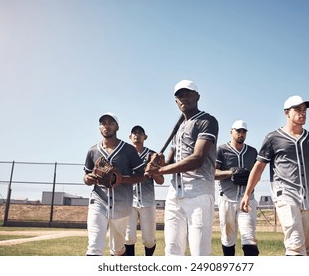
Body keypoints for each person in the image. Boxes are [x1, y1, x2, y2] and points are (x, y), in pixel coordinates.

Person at [240, 96, 309, 256]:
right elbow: (258, 167)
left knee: (306, 248)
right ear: (287, 113)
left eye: (305, 110)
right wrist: (246, 194)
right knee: (295, 244)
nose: (303, 113)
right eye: (298, 110)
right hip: (285, 195)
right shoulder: (273, 138)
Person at [145, 79, 219, 256]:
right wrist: (157, 162)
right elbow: (169, 164)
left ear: (197, 96)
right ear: (175, 101)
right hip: (175, 194)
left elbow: (197, 159)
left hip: (199, 192)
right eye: (179, 95)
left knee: (199, 252)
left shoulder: (207, 121)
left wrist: (160, 170)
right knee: (172, 249)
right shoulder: (178, 128)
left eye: (188, 93)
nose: (184, 98)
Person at [83, 112, 146, 256]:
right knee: (93, 246)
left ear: (117, 127)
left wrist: (120, 179)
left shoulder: (128, 150)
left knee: (117, 249)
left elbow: (142, 176)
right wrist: (88, 179)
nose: (107, 126)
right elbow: (86, 176)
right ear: (99, 127)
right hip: (98, 201)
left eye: (111, 123)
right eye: (103, 123)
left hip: (121, 203)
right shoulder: (92, 151)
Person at [215, 120, 259, 256]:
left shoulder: (252, 151)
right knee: (228, 238)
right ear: (231, 132)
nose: (241, 134)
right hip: (227, 199)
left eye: (243, 132)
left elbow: (257, 173)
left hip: (247, 200)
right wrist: (231, 172)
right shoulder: (221, 150)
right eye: (238, 131)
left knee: (249, 237)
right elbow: (213, 173)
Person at [124, 125, 165, 256]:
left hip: (147, 201)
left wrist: (153, 171)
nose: (137, 135)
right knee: (128, 238)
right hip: (129, 201)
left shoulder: (152, 155)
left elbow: (161, 180)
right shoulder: (125, 156)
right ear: (130, 137)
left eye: (140, 133)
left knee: (149, 240)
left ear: (145, 137)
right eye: (134, 133)